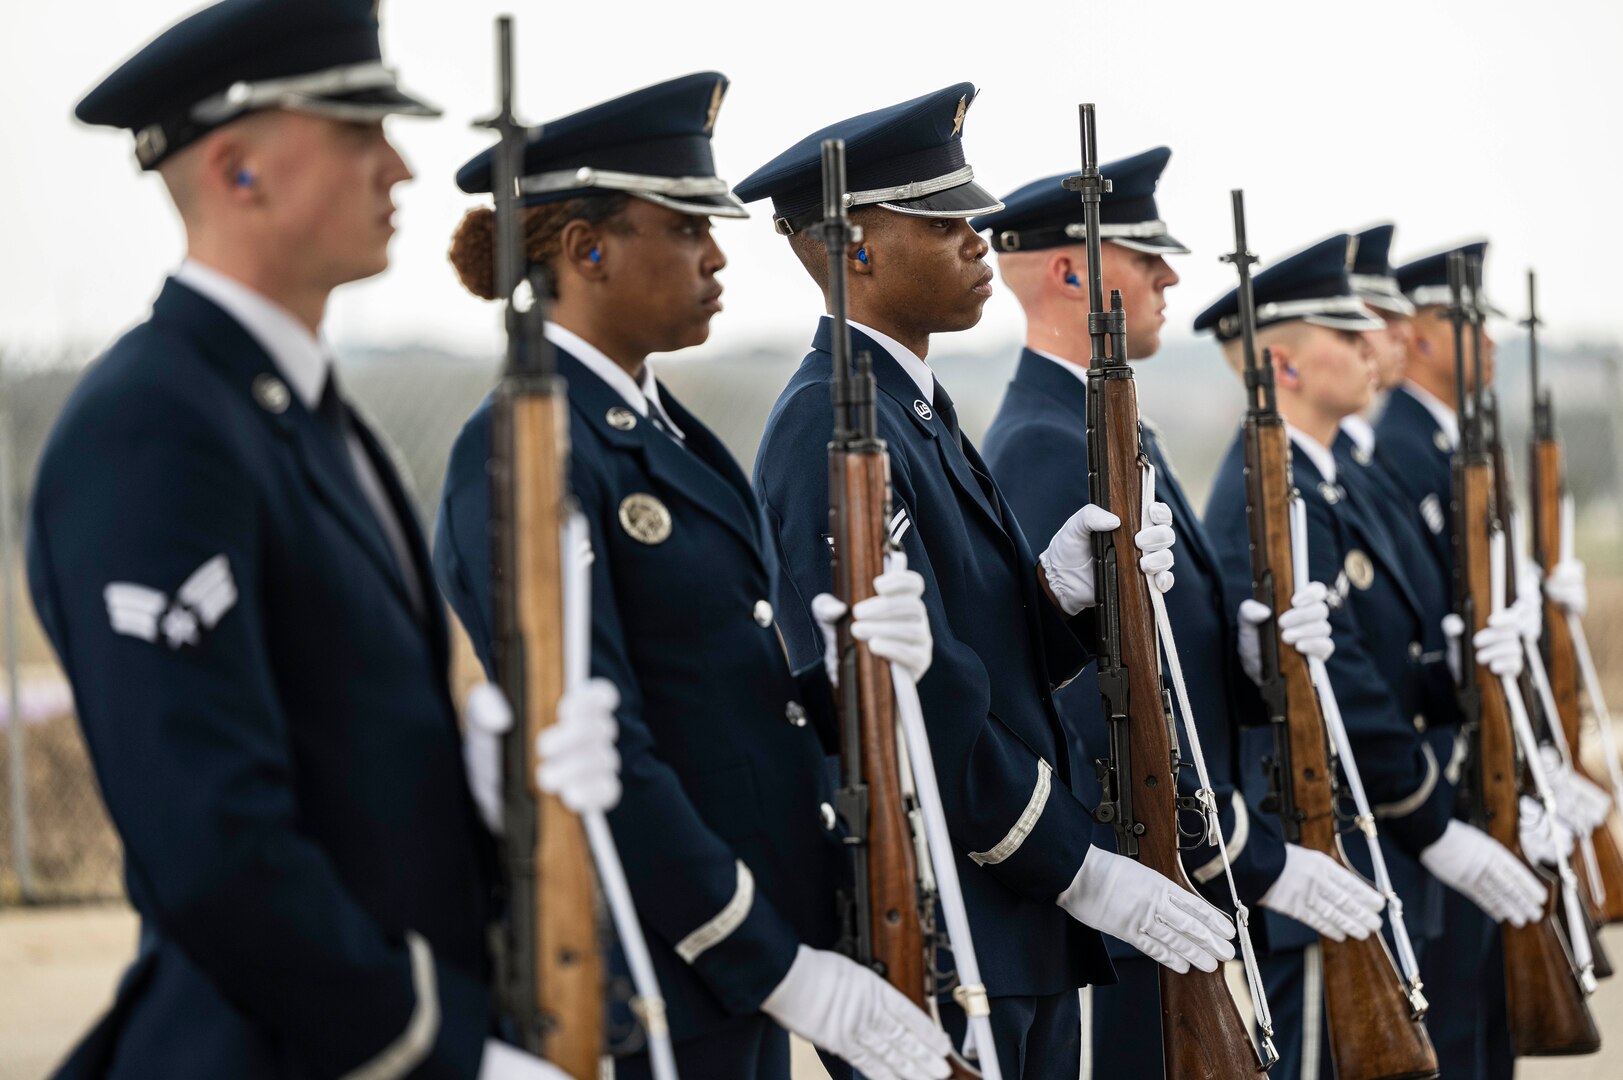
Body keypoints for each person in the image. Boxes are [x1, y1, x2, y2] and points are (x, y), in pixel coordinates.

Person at [27, 2, 619, 1078]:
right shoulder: (153, 424)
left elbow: (339, 755)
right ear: (238, 167)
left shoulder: (307, 416)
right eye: (358, 131)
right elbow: (217, 849)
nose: (396, 166)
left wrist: (476, 784)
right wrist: (444, 1055)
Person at [432, 73, 951, 1080]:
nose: (720, 257)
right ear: (586, 248)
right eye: (685, 229)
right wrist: (768, 961)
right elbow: (603, 743)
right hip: (653, 974)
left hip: (737, 966)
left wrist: (852, 682)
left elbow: (727, 690)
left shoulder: (671, 435)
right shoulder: (527, 446)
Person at [739, 85, 1239, 1078]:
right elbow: (908, 703)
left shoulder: (915, 408)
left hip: (1013, 928)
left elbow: (982, 657)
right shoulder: (831, 425)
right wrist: (1076, 865)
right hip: (945, 929)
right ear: (855, 245)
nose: (978, 240)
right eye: (942, 220)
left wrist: (1064, 601)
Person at [973, 150, 1383, 1078]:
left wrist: (1249, 656)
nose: (1169, 275)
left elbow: (1169, 660)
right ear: (1071, 270)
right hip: (1145, 899)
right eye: (1144, 253)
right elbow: (1090, 712)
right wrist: (1245, 851)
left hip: (1178, 889)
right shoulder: (1044, 442)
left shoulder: (1114, 426)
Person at [1197, 234, 1545, 1078]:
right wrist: (1434, 821)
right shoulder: (1270, 488)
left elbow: (1383, 665)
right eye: (1344, 335)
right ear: (1281, 364)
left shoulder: (1325, 481)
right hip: (1327, 847)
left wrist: (1454, 671)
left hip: (1372, 838)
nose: (1371, 346)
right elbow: (1337, 690)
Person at [1374, 240, 1584, 1079]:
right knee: (1457, 1029)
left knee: (1486, 1024)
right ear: (1419, 335)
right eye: (1467, 323)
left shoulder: (1449, 442)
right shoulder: (1398, 445)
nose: (1489, 342)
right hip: (1440, 776)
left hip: (1482, 763)